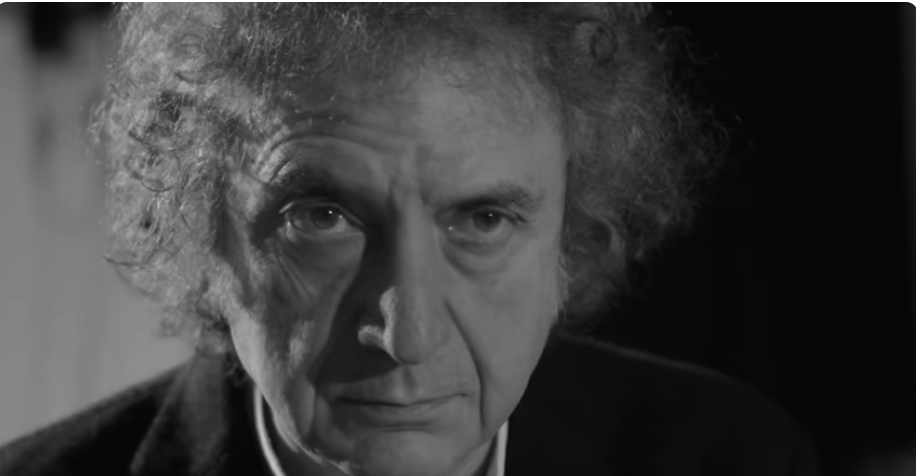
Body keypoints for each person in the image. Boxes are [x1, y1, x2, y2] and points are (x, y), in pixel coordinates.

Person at [0, 4, 819, 476]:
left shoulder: (729, 458)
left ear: (567, 242)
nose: (408, 334)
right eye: (323, 218)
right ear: (203, 238)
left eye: (483, 221)